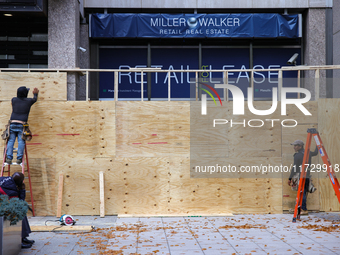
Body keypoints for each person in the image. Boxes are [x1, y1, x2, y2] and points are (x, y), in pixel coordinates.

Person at [0, 172, 34, 248]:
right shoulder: (12, 190)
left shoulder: (4, 179)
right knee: (19, 213)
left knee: (21, 212)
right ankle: (19, 240)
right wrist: (22, 189)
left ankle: (23, 237)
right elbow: (21, 201)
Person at [5, 86, 39, 164]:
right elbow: (35, 99)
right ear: (26, 94)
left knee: (10, 141)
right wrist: (35, 94)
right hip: (22, 124)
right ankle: (19, 158)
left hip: (12, 123)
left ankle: (9, 158)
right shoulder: (29, 101)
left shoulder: (14, 100)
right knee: (21, 141)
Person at [288, 140, 318, 215]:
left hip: (300, 176)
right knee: (302, 192)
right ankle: (299, 209)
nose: (294, 147)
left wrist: (290, 178)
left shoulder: (297, 155)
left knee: (302, 193)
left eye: (295, 146)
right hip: (307, 175)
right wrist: (318, 145)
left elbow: (294, 167)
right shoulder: (308, 153)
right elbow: (315, 152)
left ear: (300, 146)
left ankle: (304, 209)